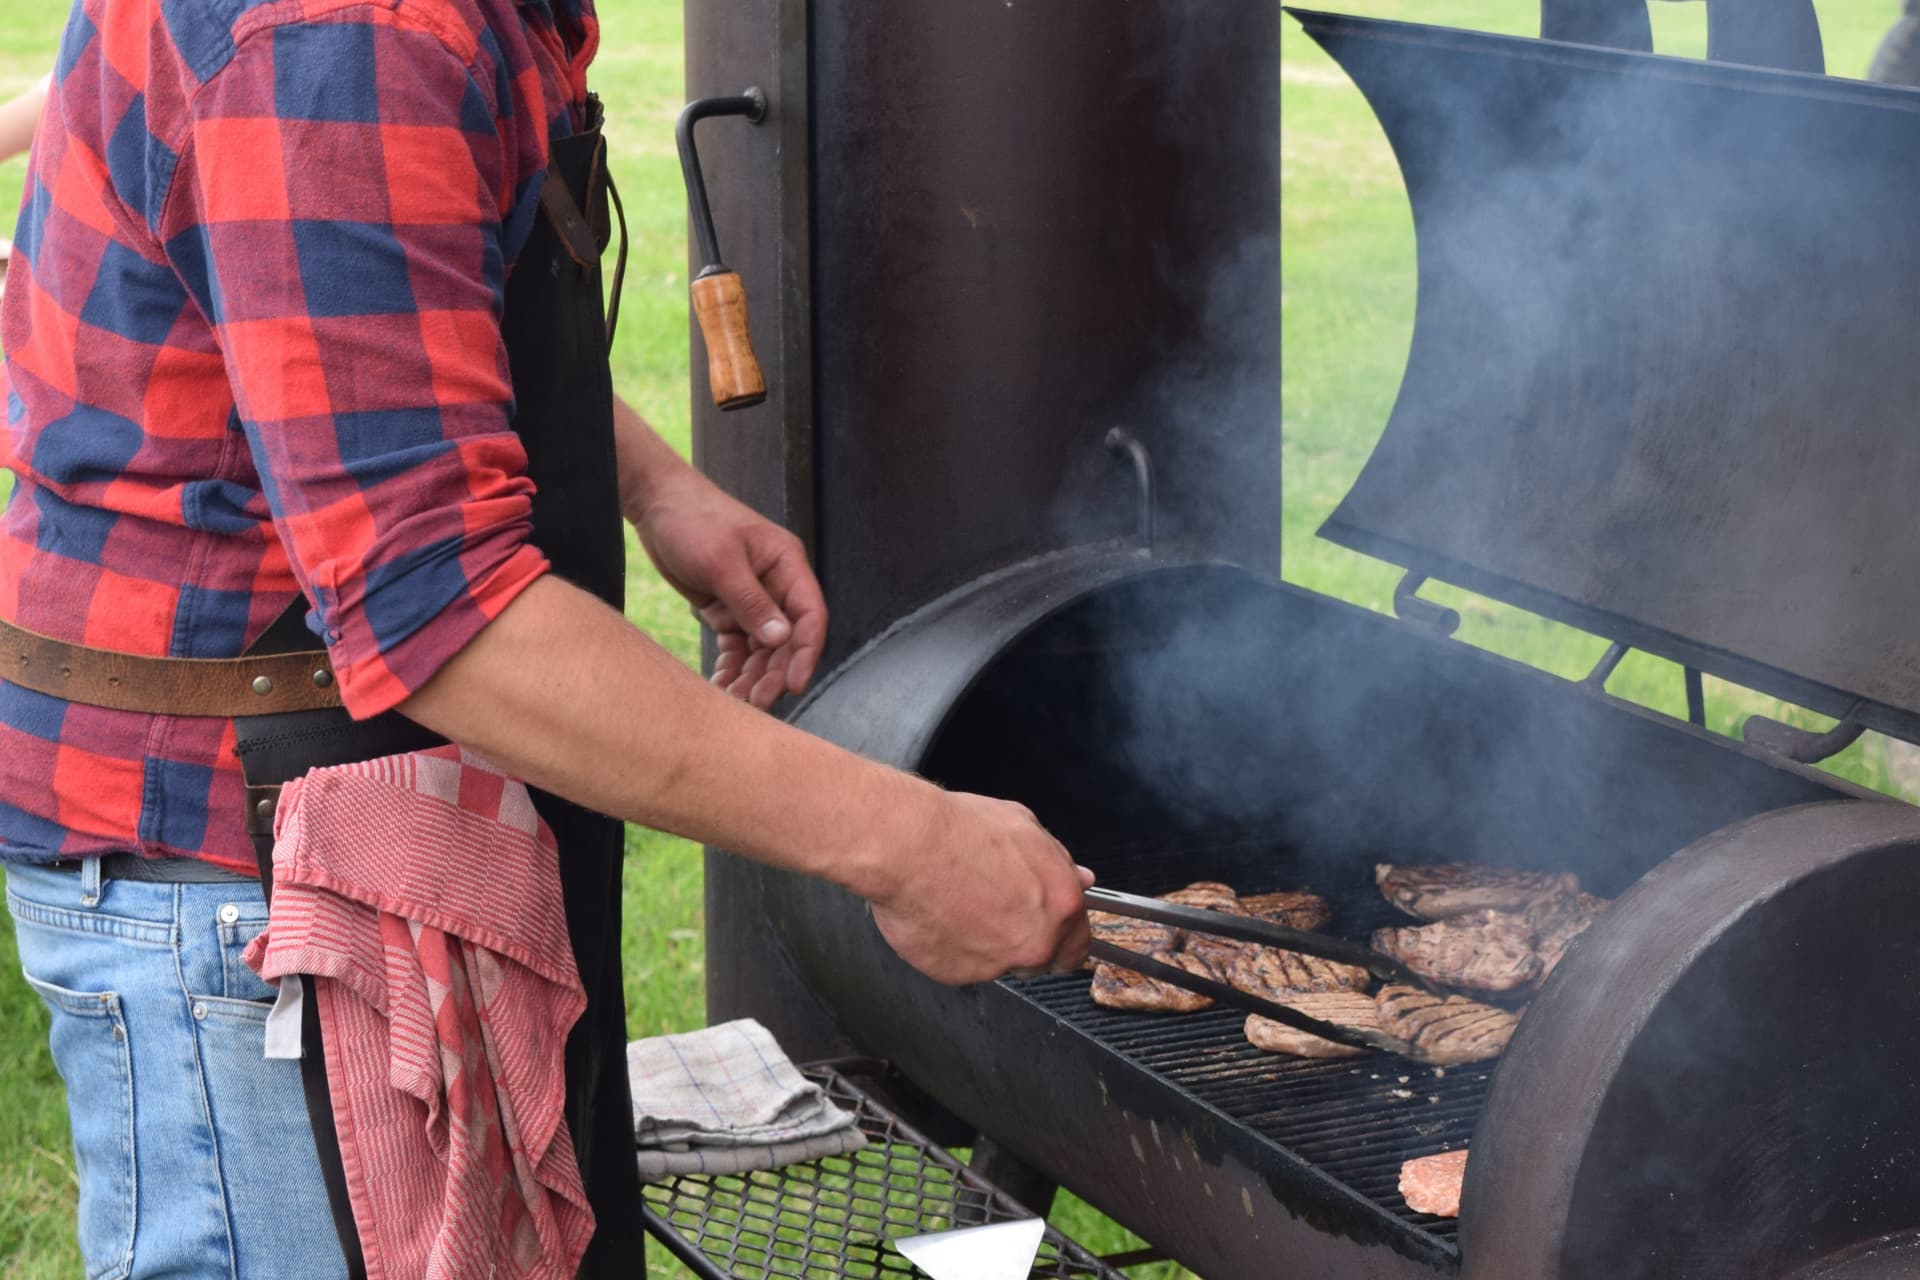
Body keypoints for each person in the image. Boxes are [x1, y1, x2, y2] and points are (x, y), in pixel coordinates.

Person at [0, 1, 1092, 1277]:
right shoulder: (343, 33)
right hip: (251, 884)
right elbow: (442, 616)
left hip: (384, 815)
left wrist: (655, 487)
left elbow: (383, 312)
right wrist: (909, 846)